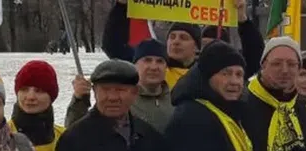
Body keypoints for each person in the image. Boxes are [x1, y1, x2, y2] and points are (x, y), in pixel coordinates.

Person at [101, 0, 264, 88]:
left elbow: (253, 58)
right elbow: (113, 47)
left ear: (196, 47)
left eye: (184, 38)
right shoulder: (152, 65)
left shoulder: (208, 70)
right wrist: (121, 7)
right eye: (172, 37)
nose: (176, 41)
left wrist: (243, 21)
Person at [67, 39, 175, 134]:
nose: (154, 67)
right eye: (147, 60)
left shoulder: (175, 100)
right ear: (135, 65)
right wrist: (79, 100)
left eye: (160, 61)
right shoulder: (120, 99)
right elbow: (77, 133)